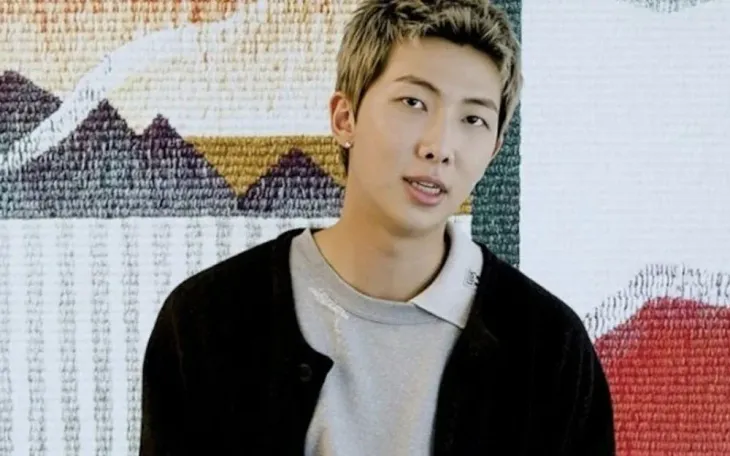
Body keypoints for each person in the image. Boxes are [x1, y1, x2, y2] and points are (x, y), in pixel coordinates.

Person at [139, 0, 616, 454]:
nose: (440, 146)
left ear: (493, 149)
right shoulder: (209, 318)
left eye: (473, 118)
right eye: (413, 102)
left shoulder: (548, 346)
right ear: (344, 118)